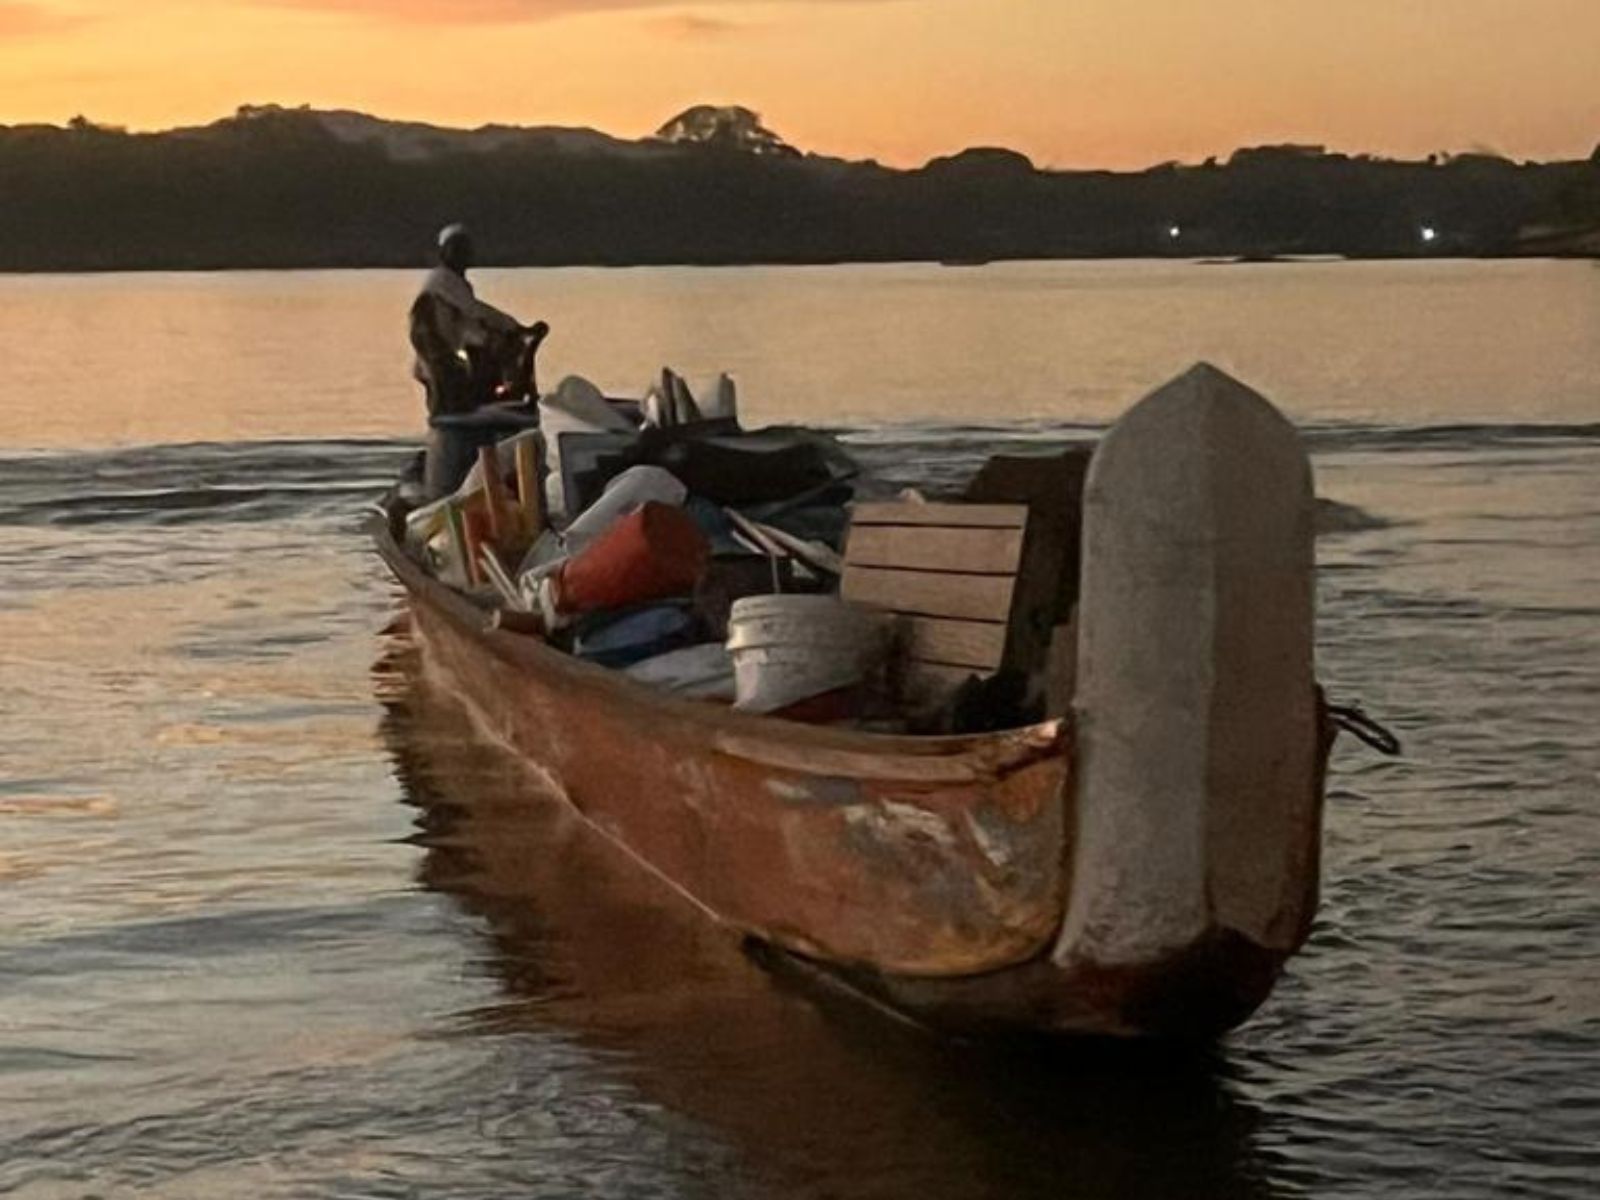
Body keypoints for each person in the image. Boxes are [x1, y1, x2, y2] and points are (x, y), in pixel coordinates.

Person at [410, 224, 536, 417]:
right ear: (444, 253)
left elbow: (468, 324)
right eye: (455, 250)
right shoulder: (443, 279)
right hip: (436, 359)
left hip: (441, 358)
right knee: (453, 395)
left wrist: (490, 337)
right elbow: (475, 311)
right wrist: (513, 326)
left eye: (463, 250)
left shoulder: (454, 285)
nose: (461, 255)